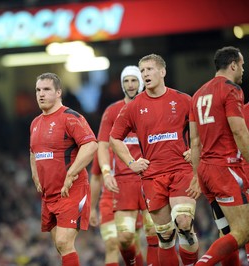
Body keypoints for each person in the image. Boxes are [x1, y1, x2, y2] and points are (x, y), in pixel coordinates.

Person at [110, 54, 199, 266]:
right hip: (152, 176)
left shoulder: (184, 100)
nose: (145, 74)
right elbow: (114, 138)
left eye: (149, 69)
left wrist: (196, 151)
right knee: (165, 236)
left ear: (162, 71)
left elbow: (202, 131)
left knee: (184, 222)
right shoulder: (133, 106)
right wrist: (132, 163)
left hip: (181, 171)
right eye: (142, 71)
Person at [189, 46, 249, 265]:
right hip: (226, 169)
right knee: (243, 232)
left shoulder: (197, 95)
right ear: (233, 64)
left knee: (227, 233)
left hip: (206, 172)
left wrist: (197, 176)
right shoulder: (231, 90)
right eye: (242, 65)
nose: (243, 69)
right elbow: (239, 131)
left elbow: (194, 142)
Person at [29, 72, 97, 266]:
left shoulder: (70, 117)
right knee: (60, 247)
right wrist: (34, 173)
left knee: (63, 241)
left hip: (72, 190)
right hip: (49, 194)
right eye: (38, 90)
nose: (41, 94)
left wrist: (72, 173)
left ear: (59, 92)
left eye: (47, 89)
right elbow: (33, 151)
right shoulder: (34, 123)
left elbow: (91, 145)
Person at [94, 65, 159, 266]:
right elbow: (102, 146)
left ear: (140, 82)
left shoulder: (153, 107)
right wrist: (106, 172)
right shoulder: (113, 111)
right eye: (126, 81)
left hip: (149, 178)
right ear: (122, 84)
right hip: (123, 183)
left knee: (155, 234)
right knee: (123, 239)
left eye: (133, 80)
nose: (130, 85)